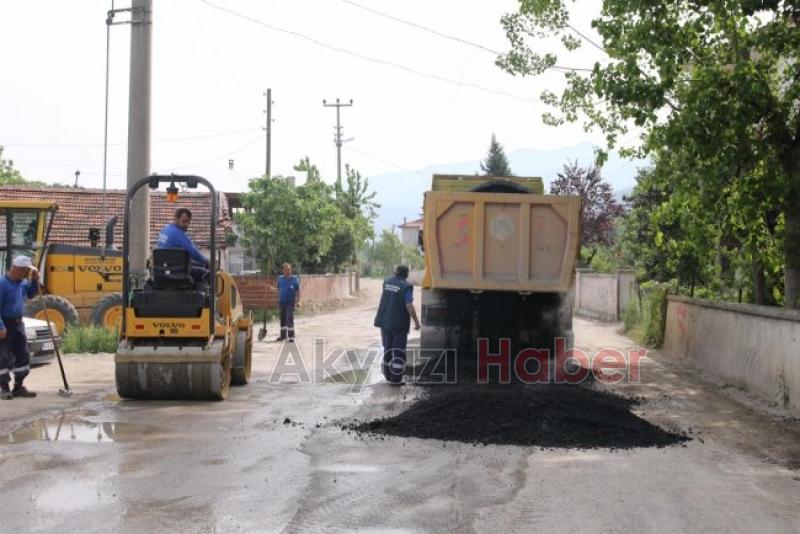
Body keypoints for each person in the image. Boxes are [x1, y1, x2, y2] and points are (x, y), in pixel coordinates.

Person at [0, 256, 41, 400]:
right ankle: (4, 389)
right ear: (16, 269)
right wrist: (1, 327)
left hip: (18, 324)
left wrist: (35, 280)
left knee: (23, 354)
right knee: (3, 357)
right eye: (25, 271)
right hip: (5, 323)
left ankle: (18, 387)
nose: (26, 274)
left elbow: (31, 294)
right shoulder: (2, 283)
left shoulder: (22, 283)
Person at [374, 265, 420, 385]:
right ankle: (395, 380)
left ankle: (388, 376)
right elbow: (409, 305)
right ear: (406, 275)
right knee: (398, 351)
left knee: (387, 349)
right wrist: (416, 321)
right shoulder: (406, 286)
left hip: (385, 322)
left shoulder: (386, 282)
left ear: (395, 272)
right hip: (399, 324)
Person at [156, 208, 210, 283]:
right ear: (176, 219)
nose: (186, 224)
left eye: (188, 222)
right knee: (207, 273)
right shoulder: (178, 234)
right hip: (176, 270)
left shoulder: (165, 229)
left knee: (198, 264)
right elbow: (193, 252)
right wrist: (206, 261)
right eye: (184, 221)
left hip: (164, 268)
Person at [276, 263, 300, 342]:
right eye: (286, 270)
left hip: (290, 302)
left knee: (289, 318)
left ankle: (291, 336)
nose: (287, 271)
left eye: (289, 269)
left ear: (291, 270)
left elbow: (297, 291)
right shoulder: (280, 279)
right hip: (282, 302)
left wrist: (298, 302)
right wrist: (270, 289)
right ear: (283, 271)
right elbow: (279, 290)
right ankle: (283, 336)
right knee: (282, 319)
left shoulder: (294, 279)